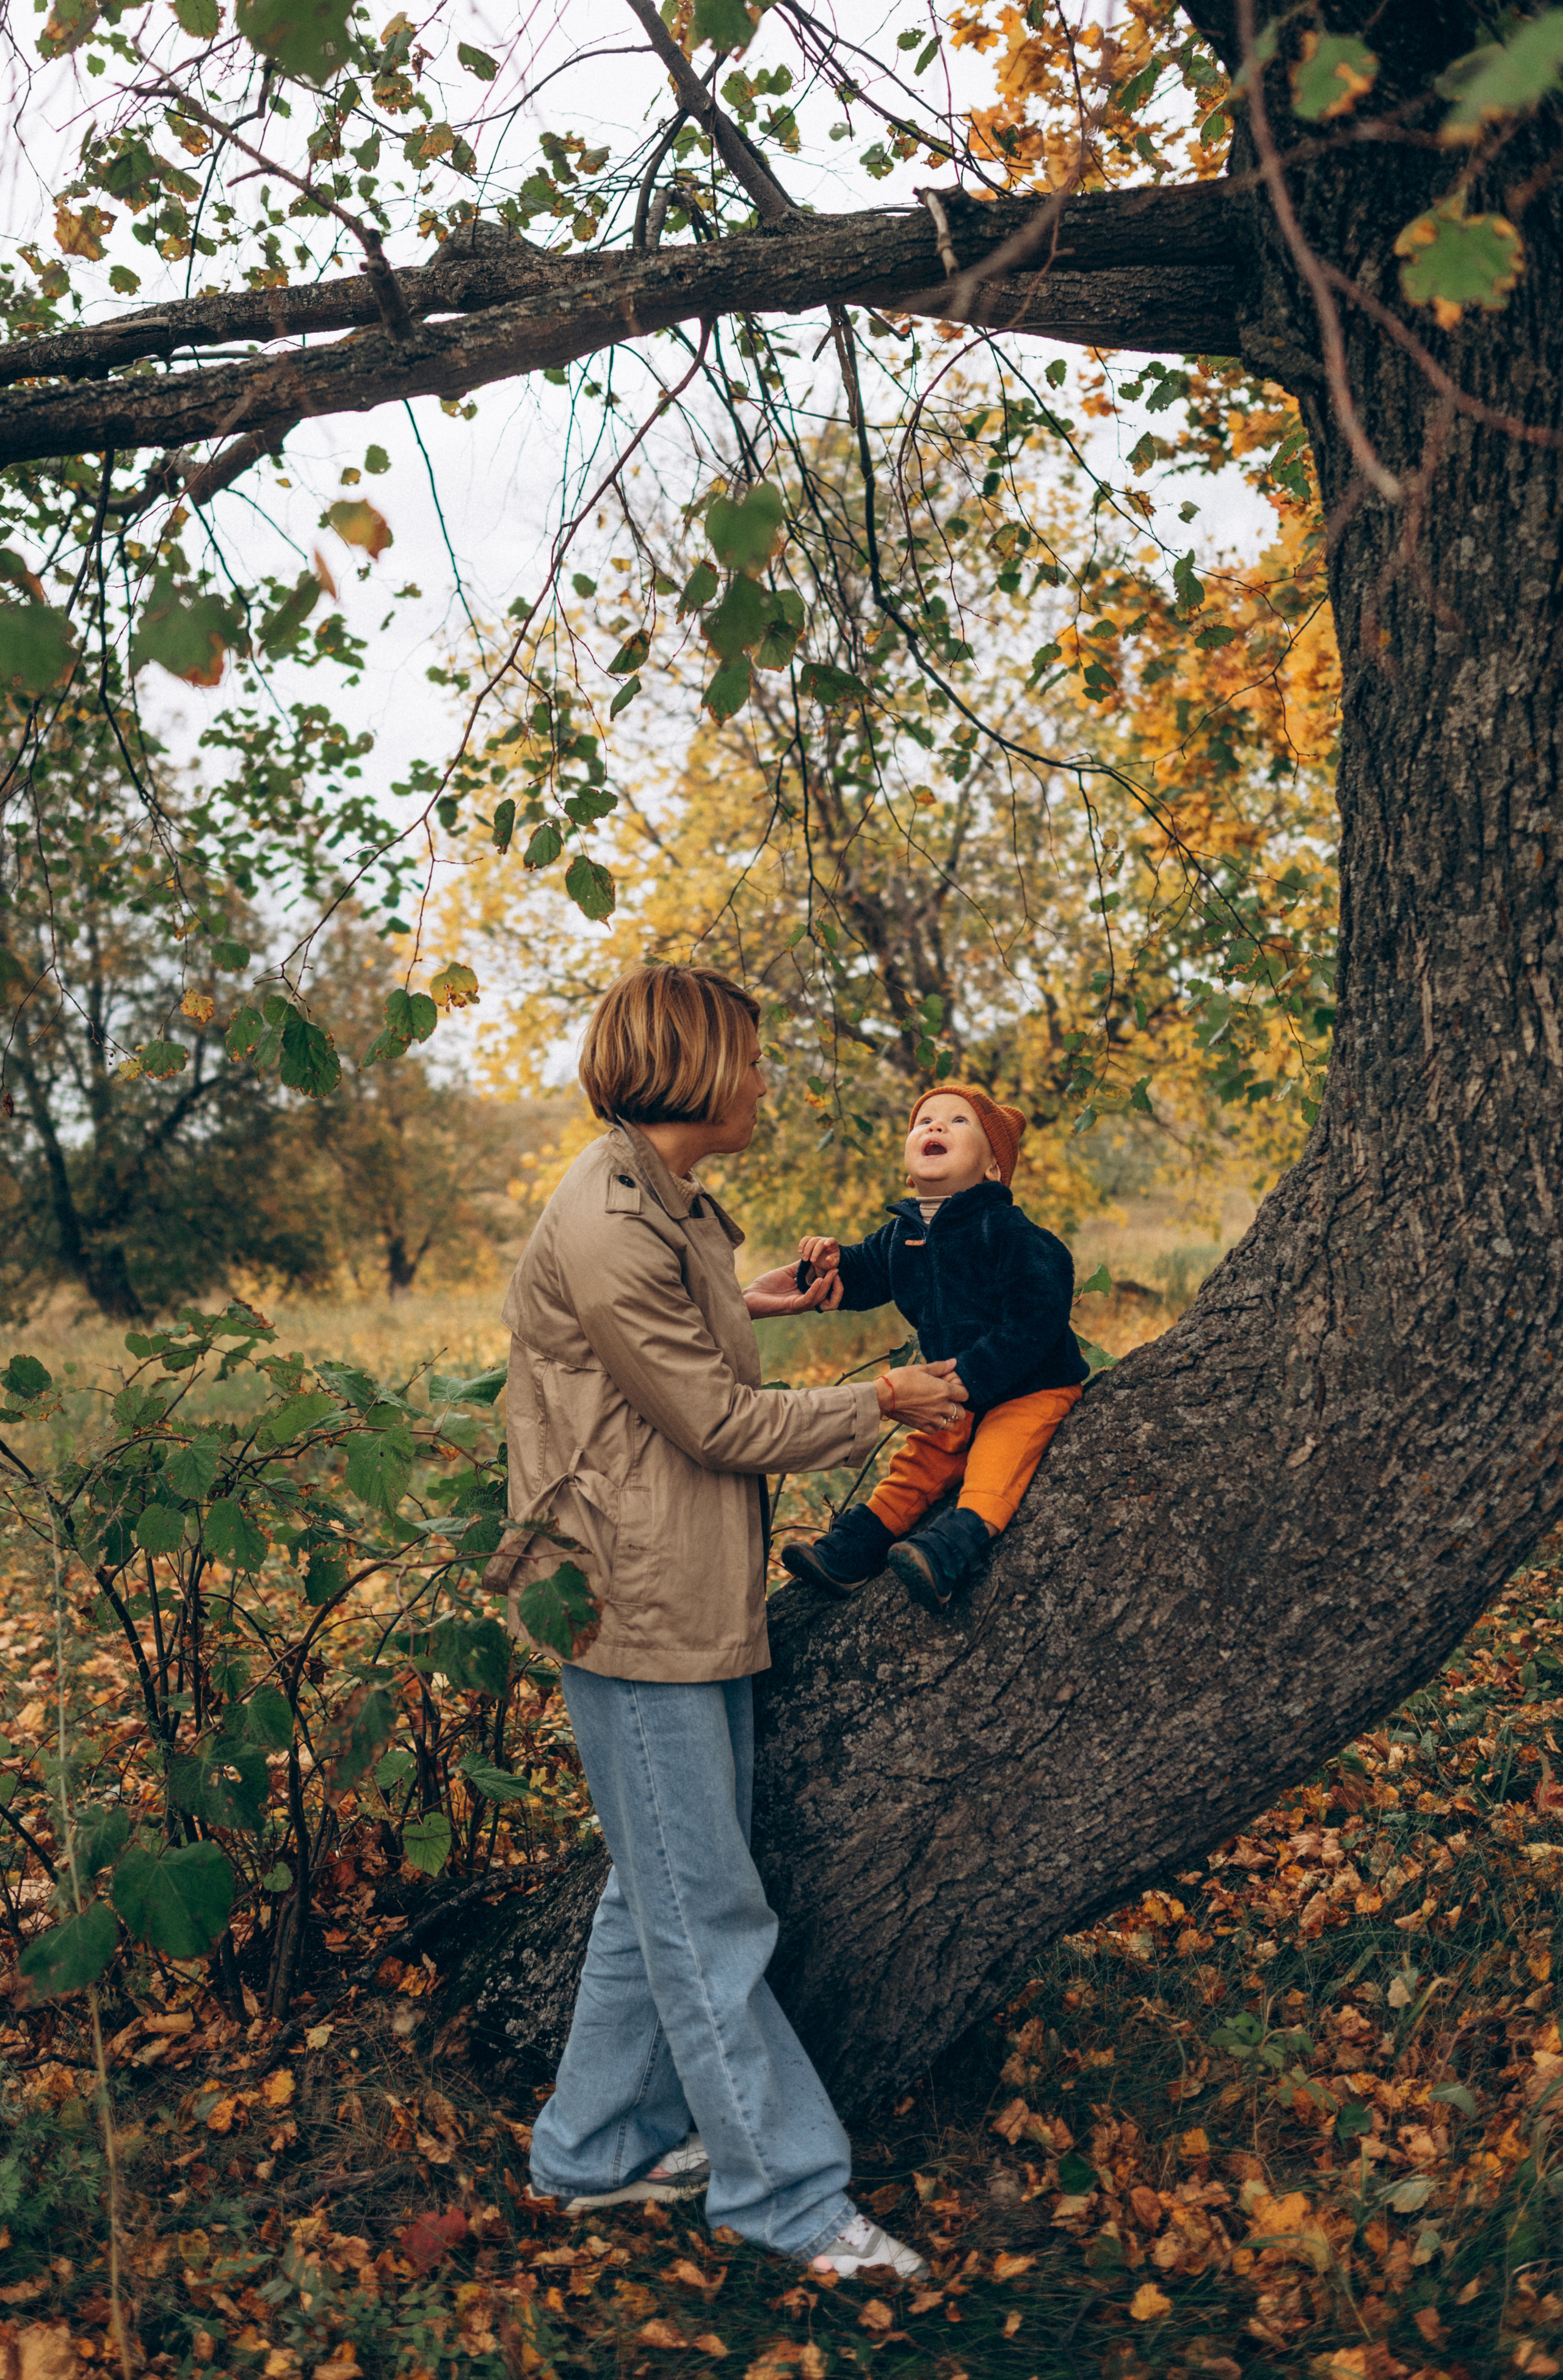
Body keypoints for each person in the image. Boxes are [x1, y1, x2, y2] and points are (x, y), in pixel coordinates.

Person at [489, 962, 965, 2278]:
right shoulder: (606, 1216)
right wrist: (884, 1399)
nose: (762, 1080)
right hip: (631, 1595)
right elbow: (717, 1421)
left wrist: (749, 1302)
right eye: (749, 1058)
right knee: (707, 1909)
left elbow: (663, 1358)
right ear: (694, 1067)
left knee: (656, 1894)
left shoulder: (669, 1200)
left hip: (683, 1578)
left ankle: (586, 2152)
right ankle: (786, 2196)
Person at [782, 1084, 1089, 1612]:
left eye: (958, 1122)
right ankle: (853, 1553)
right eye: (924, 1120)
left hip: (1030, 1386)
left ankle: (950, 1550)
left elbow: (1037, 1314)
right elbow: (862, 1275)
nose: (936, 1127)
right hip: (956, 1391)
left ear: (993, 1168)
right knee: (920, 1463)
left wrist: (976, 1373)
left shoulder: (1008, 1231)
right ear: (909, 1161)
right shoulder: (901, 1235)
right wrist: (827, 1269)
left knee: (997, 1460)